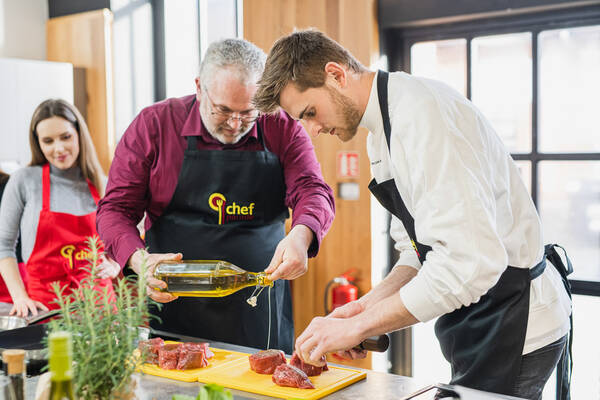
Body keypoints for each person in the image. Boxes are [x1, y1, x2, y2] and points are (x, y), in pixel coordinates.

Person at [253, 29, 573, 399]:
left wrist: (361, 327)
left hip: (518, 323)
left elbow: (468, 264)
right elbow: (418, 254)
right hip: (480, 320)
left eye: (309, 112)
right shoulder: (381, 132)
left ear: (336, 75)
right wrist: (362, 310)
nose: (313, 130)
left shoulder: (422, 115)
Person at [96, 38, 335, 354]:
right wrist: (140, 261)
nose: (235, 124)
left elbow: (312, 190)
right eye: (222, 110)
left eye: (248, 112)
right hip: (172, 307)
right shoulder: (154, 126)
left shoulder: (282, 125)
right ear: (199, 87)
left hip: (258, 311)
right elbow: (115, 210)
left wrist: (301, 237)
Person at [0, 99, 119, 317]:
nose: (59, 148)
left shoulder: (103, 184)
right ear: (38, 144)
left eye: (66, 137)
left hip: (101, 314)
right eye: (48, 141)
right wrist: (19, 297)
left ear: (79, 134)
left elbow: (126, 236)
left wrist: (116, 266)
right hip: (45, 311)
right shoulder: (24, 181)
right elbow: (3, 245)